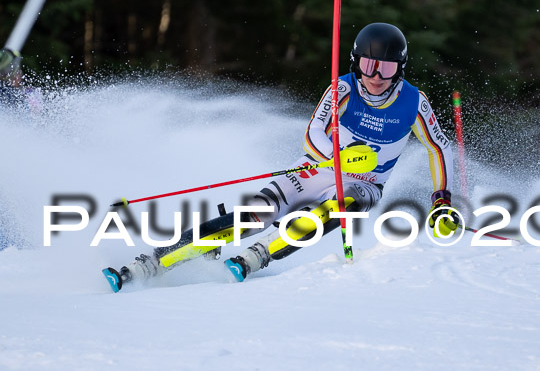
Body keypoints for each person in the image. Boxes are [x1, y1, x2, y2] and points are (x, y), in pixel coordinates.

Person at [102, 22, 459, 291]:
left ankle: (258, 254)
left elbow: (438, 147)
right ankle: (151, 262)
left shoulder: (414, 102)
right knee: (251, 216)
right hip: (315, 169)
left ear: (401, 68)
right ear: (356, 62)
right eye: (368, 65)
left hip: (363, 185)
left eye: (386, 68)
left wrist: (441, 200)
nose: (375, 76)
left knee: (338, 207)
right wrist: (336, 158)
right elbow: (311, 134)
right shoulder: (344, 88)